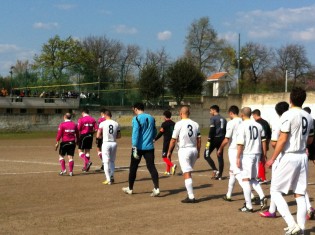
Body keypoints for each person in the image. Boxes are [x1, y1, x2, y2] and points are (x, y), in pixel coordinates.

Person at [266, 87, 314, 234]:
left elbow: (283, 138)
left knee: (275, 190)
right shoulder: (308, 116)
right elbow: (310, 140)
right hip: (302, 156)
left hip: (289, 156)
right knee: (299, 193)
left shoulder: (287, 115)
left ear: (290, 100)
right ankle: (301, 228)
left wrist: (272, 159)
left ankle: (291, 223)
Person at [122, 102, 160, 197]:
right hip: (149, 147)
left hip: (138, 147)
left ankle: (130, 188)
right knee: (151, 167)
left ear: (135, 109)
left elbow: (135, 133)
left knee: (133, 168)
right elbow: (155, 131)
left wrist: (134, 146)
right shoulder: (151, 118)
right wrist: (151, 138)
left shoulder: (136, 119)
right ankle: (156, 188)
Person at [259, 101, 289, 218]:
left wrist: (273, 158)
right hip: (299, 155)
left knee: (275, 186)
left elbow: (274, 143)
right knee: (298, 187)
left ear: (277, 112)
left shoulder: (279, 122)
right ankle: (309, 207)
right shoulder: (299, 118)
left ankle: (273, 211)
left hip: (282, 156)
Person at [236, 107, 268, 212]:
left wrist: (237, 157)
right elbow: (264, 140)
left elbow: (240, 143)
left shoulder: (242, 126)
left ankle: (248, 206)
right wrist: (264, 154)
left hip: (247, 155)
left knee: (245, 180)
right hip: (257, 154)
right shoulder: (258, 125)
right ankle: (262, 196)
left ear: (242, 114)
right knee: (253, 179)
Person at [167, 106, 201, 203]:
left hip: (184, 150)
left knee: (186, 173)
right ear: (189, 113)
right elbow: (199, 139)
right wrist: (198, 151)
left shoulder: (179, 124)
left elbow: (173, 140)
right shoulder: (195, 124)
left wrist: (169, 151)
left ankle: (191, 196)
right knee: (188, 173)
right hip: (194, 150)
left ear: (180, 114)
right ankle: (189, 194)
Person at [217, 105, 243, 201]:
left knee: (237, 173)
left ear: (231, 113)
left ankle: (251, 195)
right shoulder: (243, 121)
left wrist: (220, 148)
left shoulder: (231, 123)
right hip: (242, 148)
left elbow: (227, 139)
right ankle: (229, 195)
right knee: (232, 172)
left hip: (233, 149)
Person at [96, 109, 121, 185]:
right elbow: (119, 136)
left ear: (106, 115)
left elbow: (98, 135)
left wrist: (101, 137)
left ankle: (108, 179)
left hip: (106, 143)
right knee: (112, 161)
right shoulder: (116, 123)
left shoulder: (102, 123)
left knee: (105, 162)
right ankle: (111, 175)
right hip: (113, 143)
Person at [204, 105, 227, 180]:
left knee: (206, 155)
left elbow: (212, 130)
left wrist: (209, 140)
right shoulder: (224, 119)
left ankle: (215, 170)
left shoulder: (213, 118)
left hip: (214, 139)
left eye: (210, 110)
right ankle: (220, 175)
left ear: (214, 110)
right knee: (220, 156)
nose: (210, 112)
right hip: (222, 139)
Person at [252, 109, 272, 184]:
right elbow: (269, 135)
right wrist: (266, 144)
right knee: (262, 159)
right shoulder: (266, 122)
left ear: (255, 115)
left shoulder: (256, 124)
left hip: (258, 144)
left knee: (260, 160)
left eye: (253, 115)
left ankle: (262, 177)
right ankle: (261, 176)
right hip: (265, 143)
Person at [154, 110, 177, 175]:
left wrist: (155, 139)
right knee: (168, 156)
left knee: (164, 157)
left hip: (166, 142)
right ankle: (168, 171)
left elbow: (161, 133)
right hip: (172, 141)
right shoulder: (174, 123)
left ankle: (172, 165)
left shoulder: (164, 124)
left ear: (165, 116)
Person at [302, 107, 315, 220]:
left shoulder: (302, 119)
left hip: (302, 150)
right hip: (307, 149)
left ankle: (308, 208)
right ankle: (309, 207)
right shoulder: (312, 120)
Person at [77, 108, 97, 172]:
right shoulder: (93, 119)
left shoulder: (81, 119)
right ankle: (86, 168)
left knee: (80, 151)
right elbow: (96, 129)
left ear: (83, 112)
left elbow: (79, 128)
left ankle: (88, 162)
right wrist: (91, 132)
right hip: (90, 136)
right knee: (87, 152)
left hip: (83, 135)